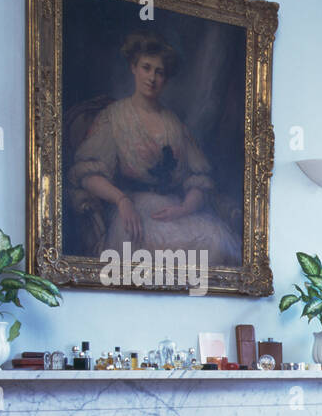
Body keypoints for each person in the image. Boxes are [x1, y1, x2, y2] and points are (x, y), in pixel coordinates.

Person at [68, 32, 240, 265]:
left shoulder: (174, 123)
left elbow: (199, 179)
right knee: (136, 245)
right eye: (146, 68)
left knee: (217, 241)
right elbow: (88, 175)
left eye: (159, 72)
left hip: (176, 211)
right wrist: (121, 200)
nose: (152, 78)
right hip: (133, 210)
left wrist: (185, 207)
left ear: (166, 78)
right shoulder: (115, 117)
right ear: (133, 67)